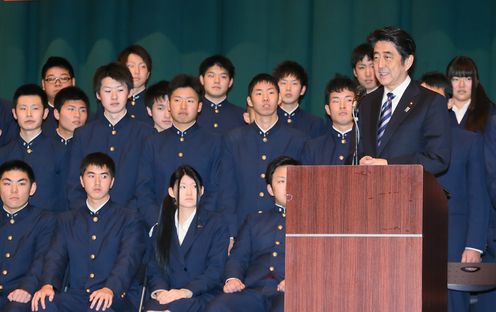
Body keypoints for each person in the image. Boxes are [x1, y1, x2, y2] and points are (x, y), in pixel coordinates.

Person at [31, 153, 147, 312]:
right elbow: (55, 256)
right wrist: (47, 285)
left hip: (116, 296)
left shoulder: (129, 219)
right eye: (91, 176)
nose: (97, 182)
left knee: (99, 307)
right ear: (82, 181)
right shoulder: (67, 220)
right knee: (43, 303)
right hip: (77, 296)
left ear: (112, 182)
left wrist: (110, 289)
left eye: (104, 176)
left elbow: (128, 260)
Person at [219, 73, 307, 244]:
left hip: (285, 230)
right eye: (259, 93)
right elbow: (227, 189)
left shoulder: (298, 140)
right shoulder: (233, 139)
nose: (265, 98)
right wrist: (230, 233)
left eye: (271, 92)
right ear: (250, 101)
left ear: (279, 98)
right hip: (242, 230)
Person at [208, 156, 300, 312]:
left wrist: (298, 280)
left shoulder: (313, 222)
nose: (288, 186)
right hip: (251, 290)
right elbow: (238, 257)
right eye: (282, 181)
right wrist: (233, 278)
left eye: (294, 179)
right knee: (218, 307)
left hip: (289, 291)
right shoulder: (254, 220)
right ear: (270, 189)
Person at [358, 26, 451, 175]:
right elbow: (357, 151)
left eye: (387, 57)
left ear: (407, 62)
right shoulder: (367, 103)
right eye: (376, 57)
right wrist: (360, 160)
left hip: (410, 194)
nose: (380, 65)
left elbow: (438, 159)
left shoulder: (430, 102)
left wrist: (389, 165)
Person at [136, 74, 221, 228]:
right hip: (160, 228)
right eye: (177, 100)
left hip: (201, 228)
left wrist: (198, 223)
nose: (183, 107)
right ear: (169, 105)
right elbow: (143, 189)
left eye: (189, 101)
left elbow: (216, 190)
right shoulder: (153, 143)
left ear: (200, 106)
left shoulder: (214, 143)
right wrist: (158, 222)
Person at [66, 62, 154, 210]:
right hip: (88, 220)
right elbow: (74, 184)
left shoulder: (146, 133)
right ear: (98, 95)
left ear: (130, 92)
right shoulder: (83, 134)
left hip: (133, 219)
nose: (114, 97)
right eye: (107, 91)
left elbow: (146, 185)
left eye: (120, 90)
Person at [446, 55, 496, 312]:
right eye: (456, 78)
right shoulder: (439, 117)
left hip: (485, 219)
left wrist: (478, 239)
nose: (462, 84)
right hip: (452, 222)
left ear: (475, 81)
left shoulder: (490, 115)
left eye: (467, 78)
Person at [145, 165, 229, 311]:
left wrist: (185, 292)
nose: (189, 192)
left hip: (202, 295)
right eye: (182, 187)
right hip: (168, 294)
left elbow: (215, 270)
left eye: (194, 186)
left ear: (201, 191)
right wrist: (161, 291)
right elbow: (154, 268)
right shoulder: (161, 227)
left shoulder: (216, 223)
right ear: (172, 192)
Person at [0, 84, 67, 212]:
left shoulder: (61, 151)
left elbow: (66, 197)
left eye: (35, 108)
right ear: (14, 113)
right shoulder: (4, 154)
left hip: (50, 227)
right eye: (23, 108)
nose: (29, 114)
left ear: (45, 113)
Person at [0, 160, 55, 312]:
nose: (14, 190)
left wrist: (26, 288)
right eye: (7, 183)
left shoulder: (44, 219)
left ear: (32, 188)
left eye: (21, 184)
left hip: (20, 292)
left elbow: (42, 258)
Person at [302, 74, 357, 165]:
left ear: (356, 106)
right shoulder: (313, 148)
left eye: (348, 100)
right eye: (336, 101)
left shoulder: (367, 145)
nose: (342, 106)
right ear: (328, 109)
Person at [272, 61, 327, 138]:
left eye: (294, 83)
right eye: (283, 83)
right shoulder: (268, 120)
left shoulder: (315, 124)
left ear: (302, 90)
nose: (288, 88)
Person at [197, 55, 245, 134]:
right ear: (202, 79)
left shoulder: (241, 116)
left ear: (230, 82)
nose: (217, 81)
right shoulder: (191, 112)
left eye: (223, 76)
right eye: (211, 76)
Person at [40, 57, 76, 134]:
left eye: (63, 78)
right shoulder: (37, 116)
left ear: (73, 82)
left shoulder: (84, 116)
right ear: (43, 84)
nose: (58, 83)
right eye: (51, 79)